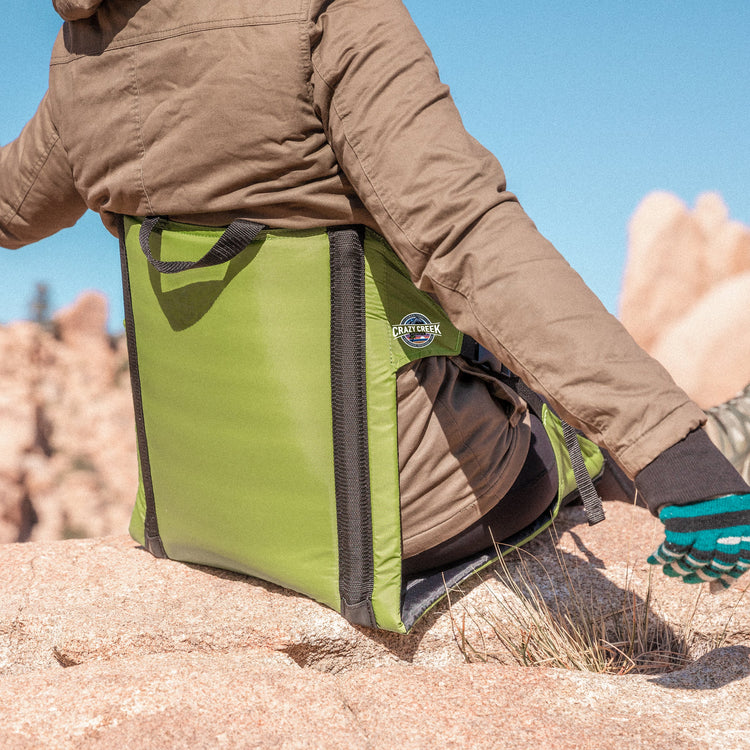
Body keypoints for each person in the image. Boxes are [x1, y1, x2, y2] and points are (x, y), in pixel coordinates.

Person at [2, 0, 749, 587]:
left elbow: (13, 207)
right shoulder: (326, 13)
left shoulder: (83, 60)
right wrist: (673, 454)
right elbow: (464, 234)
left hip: (206, 510)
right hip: (400, 513)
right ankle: (728, 435)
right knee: (569, 419)